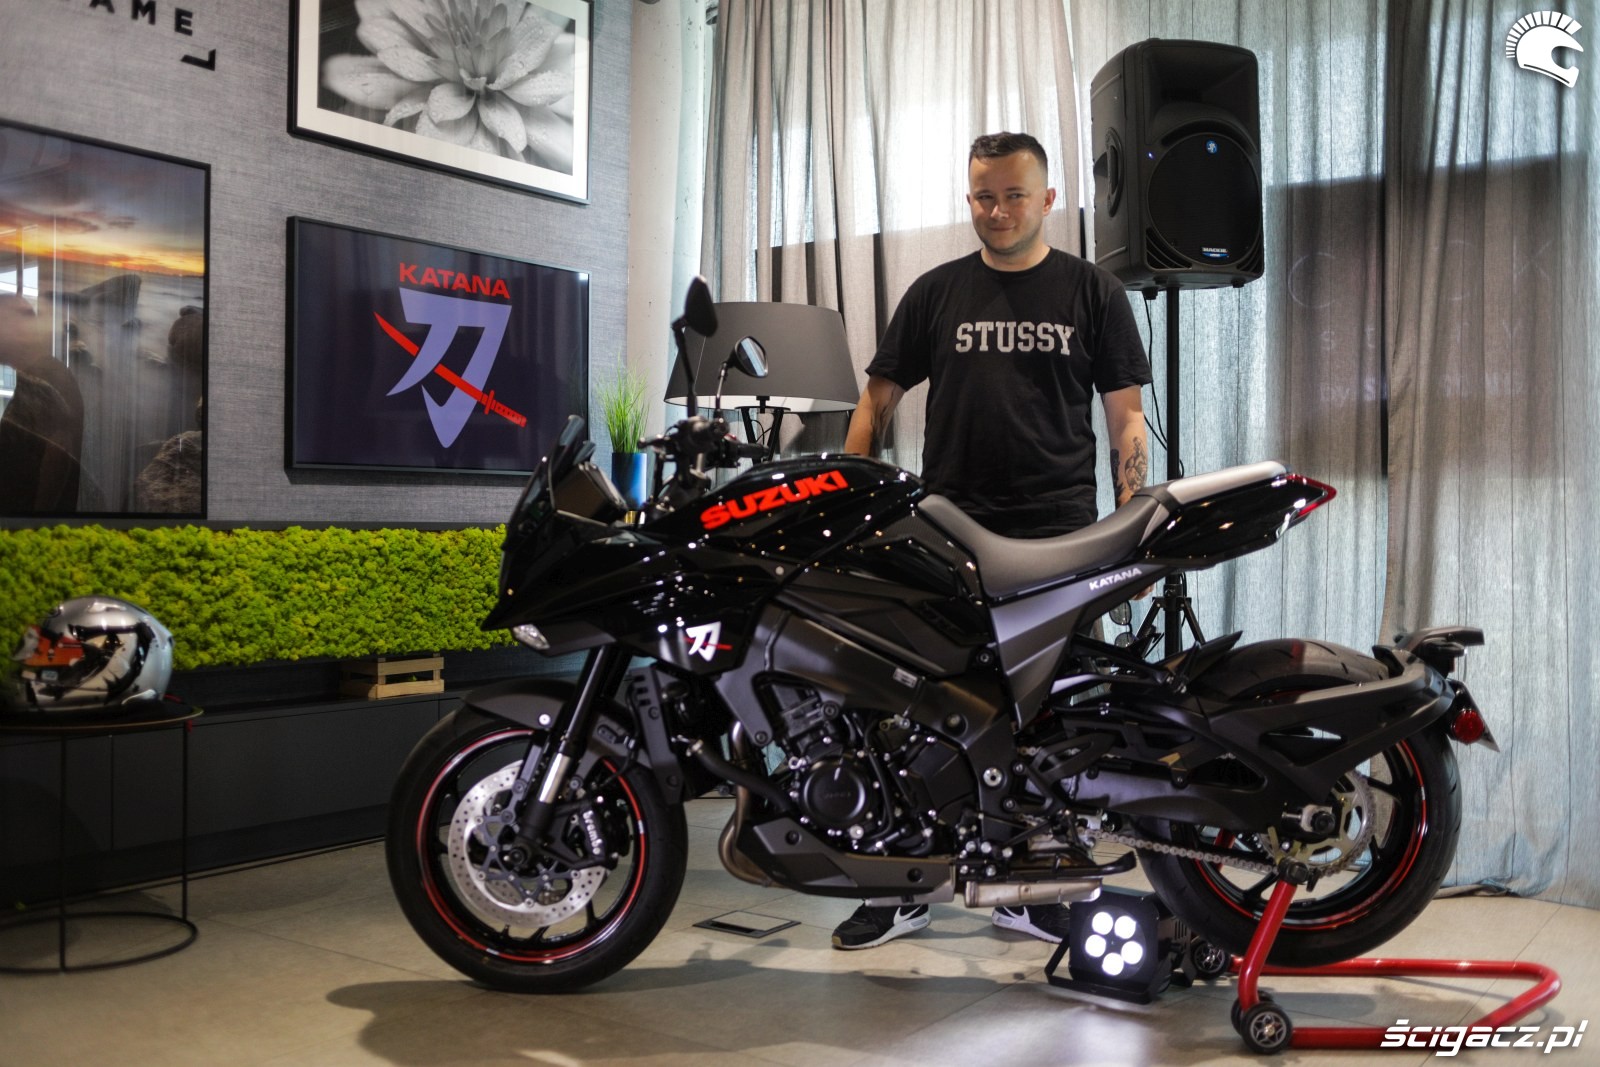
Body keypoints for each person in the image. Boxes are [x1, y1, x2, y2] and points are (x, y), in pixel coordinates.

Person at [831, 131, 1152, 951]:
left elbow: (1126, 419)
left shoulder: (1093, 291)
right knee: (913, 708)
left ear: (1048, 200)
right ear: (968, 198)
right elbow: (875, 403)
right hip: (946, 532)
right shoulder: (936, 293)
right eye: (983, 195)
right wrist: (851, 502)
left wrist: (1131, 528)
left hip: (1058, 536)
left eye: (1013, 195)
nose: (998, 210)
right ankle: (898, 885)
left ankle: (1029, 890)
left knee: (1046, 720)